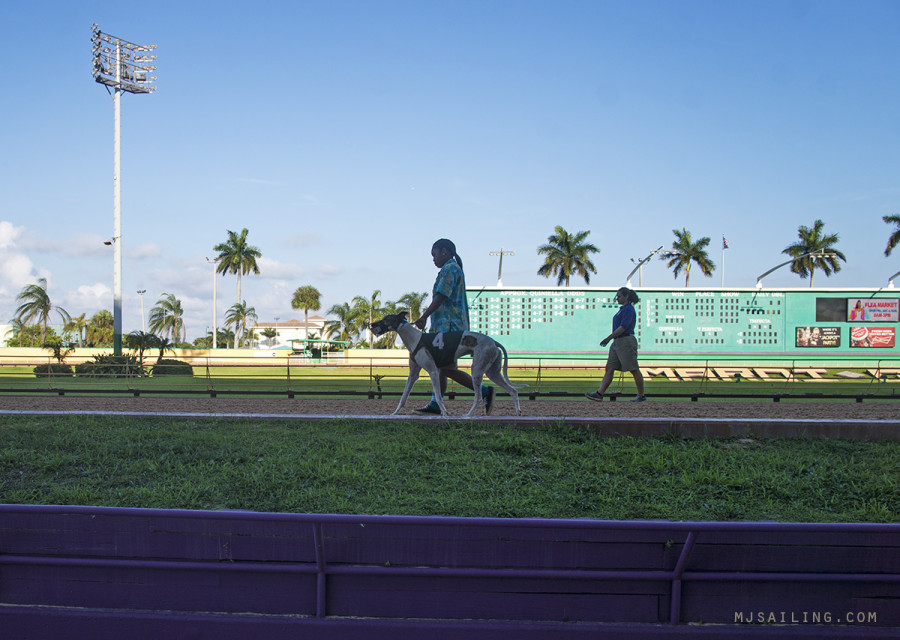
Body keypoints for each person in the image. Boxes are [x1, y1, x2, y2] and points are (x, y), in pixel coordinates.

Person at [412, 238, 495, 414]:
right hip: (449, 325)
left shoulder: (449, 269)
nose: (433, 259)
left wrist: (424, 316)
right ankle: (436, 403)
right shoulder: (451, 269)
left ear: (444, 251)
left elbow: (441, 295)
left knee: (444, 367)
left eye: (434, 254)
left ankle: (485, 391)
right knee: (442, 367)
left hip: (449, 327)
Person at [585, 287, 646, 402]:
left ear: (626, 296)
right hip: (617, 342)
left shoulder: (629, 309)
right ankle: (599, 393)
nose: (617, 298)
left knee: (633, 369)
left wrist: (608, 338)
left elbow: (623, 327)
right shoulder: (622, 309)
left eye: (619, 296)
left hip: (625, 341)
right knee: (609, 368)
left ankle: (641, 395)